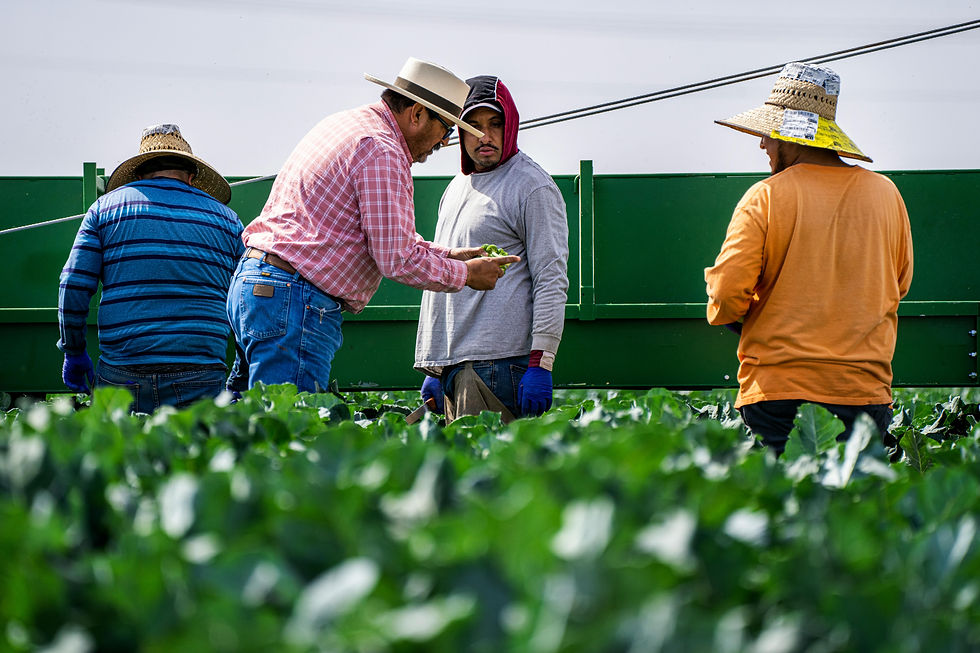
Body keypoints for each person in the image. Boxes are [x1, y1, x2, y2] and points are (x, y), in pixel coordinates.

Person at [228, 58, 518, 393]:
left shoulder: (346, 124)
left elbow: (388, 239)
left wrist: (451, 255)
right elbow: (396, 259)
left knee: (247, 416)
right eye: (446, 128)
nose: (444, 142)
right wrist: (466, 275)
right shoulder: (383, 150)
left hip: (258, 285)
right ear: (417, 114)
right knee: (287, 420)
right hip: (294, 300)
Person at [705, 62, 914, 457]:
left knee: (783, 496)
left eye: (768, 134)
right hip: (864, 394)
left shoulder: (765, 197)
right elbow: (898, 285)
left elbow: (727, 295)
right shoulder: (887, 195)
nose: (762, 145)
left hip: (777, 396)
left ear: (792, 138)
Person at [414, 75, 569, 423]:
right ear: (459, 130)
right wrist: (437, 365)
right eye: (473, 125)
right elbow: (443, 280)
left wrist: (541, 362)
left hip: (499, 365)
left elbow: (551, 278)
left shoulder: (531, 185)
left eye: (495, 124)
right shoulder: (456, 187)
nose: (485, 136)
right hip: (456, 367)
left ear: (510, 124)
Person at [58, 124, 244, 412]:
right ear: (191, 176)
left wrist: (74, 351)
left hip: (122, 373)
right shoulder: (228, 221)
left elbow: (73, 285)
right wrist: (241, 369)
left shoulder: (104, 210)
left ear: (139, 175)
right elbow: (245, 300)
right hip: (201, 373)